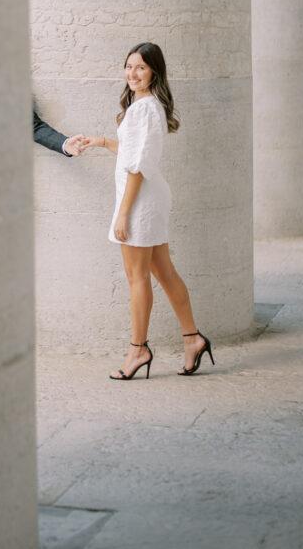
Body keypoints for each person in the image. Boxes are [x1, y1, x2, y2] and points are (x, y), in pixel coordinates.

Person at [82, 42, 214, 379]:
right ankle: (193, 339)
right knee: (164, 273)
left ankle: (138, 349)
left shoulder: (145, 109)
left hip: (139, 200)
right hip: (146, 197)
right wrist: (99, 141)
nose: (133, 73)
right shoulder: (144, 106)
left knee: (136, 277)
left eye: (140, 67)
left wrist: (123, 213)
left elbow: (138, 166)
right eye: (129, 66)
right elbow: (130, 151)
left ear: (154, 71)